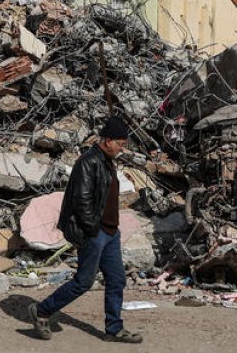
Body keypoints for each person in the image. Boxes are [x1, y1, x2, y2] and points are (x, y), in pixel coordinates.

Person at [28, 116, 143, 344]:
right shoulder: (88, 162)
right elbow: (82, 200)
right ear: (107, 140)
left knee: (117, 280)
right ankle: (42, 310)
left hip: (110, 232)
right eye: (119, 143)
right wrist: (93, 229)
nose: (121, 149)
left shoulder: (107, 160)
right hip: (96, 232)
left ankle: (114, 329)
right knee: (83, 281)